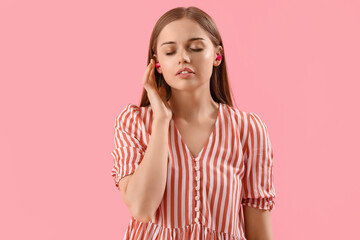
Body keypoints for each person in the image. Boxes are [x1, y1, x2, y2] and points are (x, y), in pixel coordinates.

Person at [111, 6, 277, 240]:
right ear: (156, 63)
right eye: (170, 52)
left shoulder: (248, 130)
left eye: (196, 48)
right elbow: (142, 209)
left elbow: (259, 231)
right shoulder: (135, 123)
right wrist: (161, 120)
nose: (184, 58)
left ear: (217, 55)